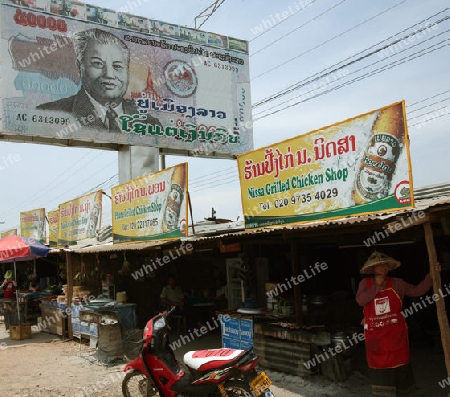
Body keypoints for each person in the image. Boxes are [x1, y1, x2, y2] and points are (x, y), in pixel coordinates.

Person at [37, 28, 161, 131]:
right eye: (98, 63)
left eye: (117, 66)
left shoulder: (150, 124)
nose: (109, 75)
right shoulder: (50, 112)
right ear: (80, 66)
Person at [355, 250, 441, 397]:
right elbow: (361, 301)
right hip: (376, 339)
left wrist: (430, 277)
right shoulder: (365, 283)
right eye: (379, 266)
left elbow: (418, 290)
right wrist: (376, 287)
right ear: (373, 269)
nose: (383, 268)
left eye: (385, 265)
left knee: (400, 369)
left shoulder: (397, 283)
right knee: (380, 370)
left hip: (396, 336)